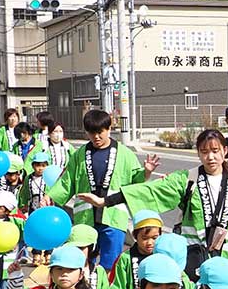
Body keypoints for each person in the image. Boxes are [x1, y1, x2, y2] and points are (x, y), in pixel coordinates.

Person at [78, 128, 228, 280]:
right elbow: (150, 191)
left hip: (226, 266)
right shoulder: (187, 179)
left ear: (225, 151)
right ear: (198, 154)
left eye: (215, 151)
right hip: (191, 262)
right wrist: (106, 201)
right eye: (204, 152)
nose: (210, 157)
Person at [45, 109, 159, 271]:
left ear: (109, 129)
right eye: (92, 133)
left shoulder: (125, 154)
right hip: (85, 217)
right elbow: (67, 181)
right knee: (81, 263)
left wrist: (146, 172)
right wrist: (50, 196)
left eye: (100, 132)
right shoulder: (80, 155)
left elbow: (136, 181)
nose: (96, 137)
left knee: (111, 264)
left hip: (113, 217)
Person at [108, 209, 164, 289]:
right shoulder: (125, 259)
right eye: (144, 238)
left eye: (154, 238)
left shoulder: (162, 257)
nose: (150, 243)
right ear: (135, 236)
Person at [20, 151, 51, 215]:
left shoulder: (49, 177)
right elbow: (25, 193)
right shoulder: (28, 178)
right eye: (37, 165)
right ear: (33, 166)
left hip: (46, 207)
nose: (40, 168)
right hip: (33, 206)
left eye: (43, 166)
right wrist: (24, 204)